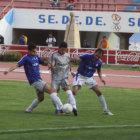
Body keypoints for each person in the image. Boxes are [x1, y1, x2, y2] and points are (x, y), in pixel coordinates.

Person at [4, 43, 63, 113]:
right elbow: (17, 65)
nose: (35, 52)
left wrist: (48, 64)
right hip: (35, 81)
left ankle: (28, 110)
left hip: (38, 80)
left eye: (35, 51)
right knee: (52, 91)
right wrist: (8, 70)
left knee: (41, 98)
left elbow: (43, 62)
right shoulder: (25, 58)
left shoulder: (36, 56)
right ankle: (61, 108)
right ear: (29, 51)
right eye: (33, 51)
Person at [72, 48, 113, 115]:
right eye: (96, 55)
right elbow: (76, 56)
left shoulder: (99, 62)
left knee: (99, 92)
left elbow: (99, 71)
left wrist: (101, 79)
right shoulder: (87, 56)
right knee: (74, 91)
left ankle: (105, 110)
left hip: (89, 78)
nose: (97, 57)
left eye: (99, 57)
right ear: (94, 53)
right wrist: (76, 58)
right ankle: (73, 107)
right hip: (80, 76)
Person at [49, 41, 77, 116]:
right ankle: (59, 108)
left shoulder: (67, 55)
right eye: (62, 50)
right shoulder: (53, 55)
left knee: (69, 91)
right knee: (53, 95)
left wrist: (72, 72)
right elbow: (51, 65)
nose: (63, 51)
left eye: (65, 50)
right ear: (59, 48)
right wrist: (52, 67)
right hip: (55, 78)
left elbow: (68, 65)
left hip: (64, 77)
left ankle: (74, 107)